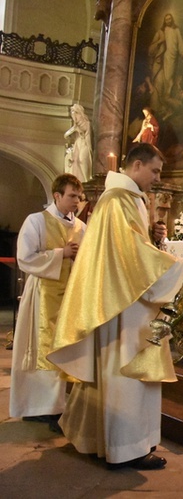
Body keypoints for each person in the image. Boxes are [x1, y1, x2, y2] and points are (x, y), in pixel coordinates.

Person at [48, 143, 183, 470]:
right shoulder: (120, 199)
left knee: (114, 371)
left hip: (121, 295)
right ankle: (126, 448)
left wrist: (154, 239)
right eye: (154, 171)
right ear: (136, 165)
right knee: (127, 371)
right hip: (126, 303)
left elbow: (129, 247)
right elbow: (131, 255)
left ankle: (101, 440)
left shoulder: (123, 198)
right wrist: (176, 265)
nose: (157, 178)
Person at [10, 174, 85, 431]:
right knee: (39, 349)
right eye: (72, 196)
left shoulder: (82, 227)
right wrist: (60, 254)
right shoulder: (36, 221)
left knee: (66, 348)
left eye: (78, 196)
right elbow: (25, 258)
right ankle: (37, 406)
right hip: (42, 294)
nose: (77, 201)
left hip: (70, 298)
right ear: (57, 195)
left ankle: (59, 404)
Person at [148, 12, 183, 114]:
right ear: (164, 21)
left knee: (169, 79)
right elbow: (152, 49)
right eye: (166, 19)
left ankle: (166, 101)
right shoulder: (161, 32)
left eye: (170, 19)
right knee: (161, 81)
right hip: (163, 58)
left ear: (172, 20)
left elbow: (180, 43)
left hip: (172, 59)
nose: (168, 21)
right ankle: (162, 104)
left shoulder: (176, 30)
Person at [63, 104, 92, 183]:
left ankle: (86, 180)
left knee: (83, 159)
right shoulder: (75, 126)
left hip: (84, 144)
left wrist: (82, 133)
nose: (73, 115)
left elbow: (88, 135)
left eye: (75, 112)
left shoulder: (86, 123)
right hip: (77, 144)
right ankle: (79, 180)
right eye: (72, 112)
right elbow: (66, 135)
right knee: (74, 161)